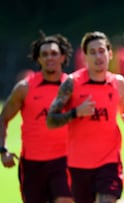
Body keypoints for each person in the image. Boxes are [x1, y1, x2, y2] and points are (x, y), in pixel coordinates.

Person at [46, 31, 124, 203]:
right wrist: (75, 112)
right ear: (85, 57)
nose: (98, 56)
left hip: (109, 162)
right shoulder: (72, 83)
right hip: (79, 164)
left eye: (102, 51)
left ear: (110, 54)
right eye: (93, 52)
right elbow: (51, 119)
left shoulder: (118, 82)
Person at [0, 32, 73, 203]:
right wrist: (3, 150)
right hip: (32, 163)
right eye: (44, 54)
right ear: (38, 59)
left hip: (64, 161)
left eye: (54, 53)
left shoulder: (72, 86)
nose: (50, 58)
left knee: (65, 200)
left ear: (62, 57)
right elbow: (3, 118)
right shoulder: (24, 88)